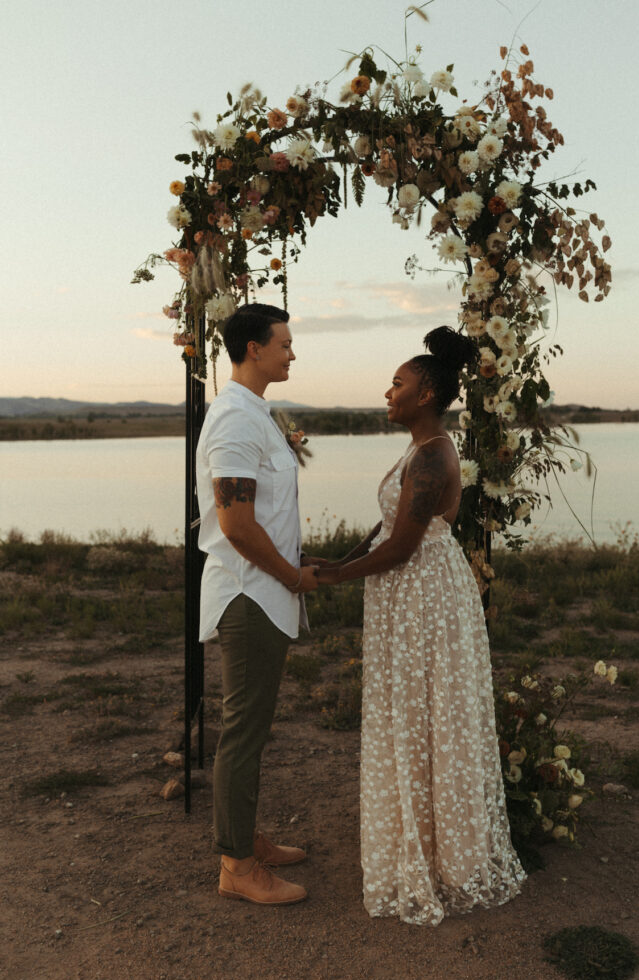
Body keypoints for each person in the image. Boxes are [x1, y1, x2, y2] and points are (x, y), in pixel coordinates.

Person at [318, 326, 526, 925]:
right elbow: (386, 529)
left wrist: (330, 579)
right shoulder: (419, 448)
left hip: (425, 598)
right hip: (409, 596)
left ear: (427, 391)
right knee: (414, 711)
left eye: (398, 384)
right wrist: (340, 559)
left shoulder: (435, 453)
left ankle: (451, 859)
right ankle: (426, 843)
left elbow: (404, 547)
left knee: (430, 712)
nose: (388, 392)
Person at [196, 303, 318, 907]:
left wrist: (296, 562)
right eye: (284, 343)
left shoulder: (257, 412)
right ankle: (237, 866)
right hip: (248, 593)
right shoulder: (234, 420)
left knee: (254, 728)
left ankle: (245, 838)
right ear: (252, 348)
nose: (292, 352)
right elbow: (237, 523)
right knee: (243, 733)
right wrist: (291, 575)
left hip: (266, 589)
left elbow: (265, 512)